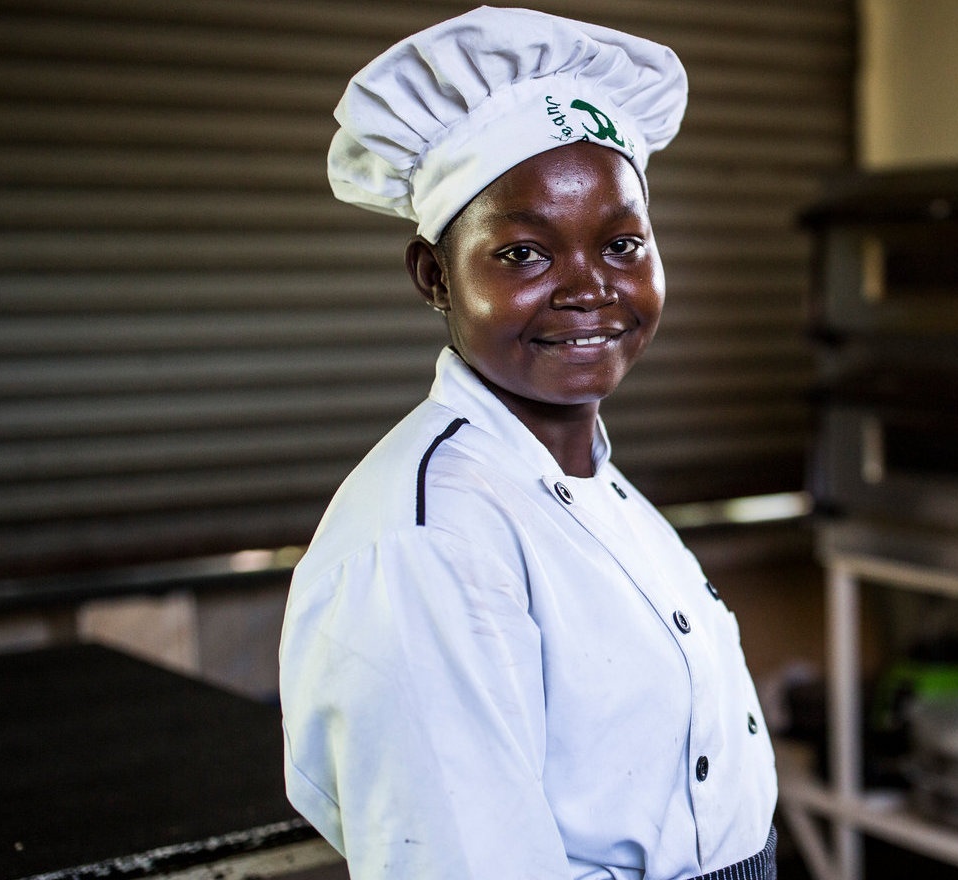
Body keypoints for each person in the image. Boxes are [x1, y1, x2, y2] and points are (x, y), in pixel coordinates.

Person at [278, 8, 778, 879]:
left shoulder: (593, 487)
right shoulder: (430, 548)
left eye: (623, 243)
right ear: (434, 276)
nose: (589, 289)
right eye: (523, 254)